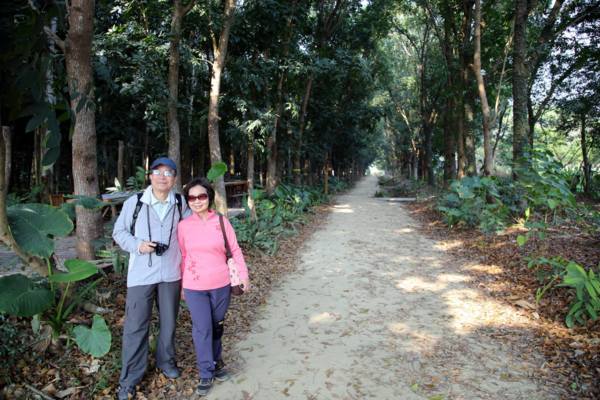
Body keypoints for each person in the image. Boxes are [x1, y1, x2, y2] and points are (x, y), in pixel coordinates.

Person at [113, 157, 189, 400]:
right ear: (150, 176)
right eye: (157, 172)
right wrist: (138, 245)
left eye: (168, 173)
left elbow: (191, 232)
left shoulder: (180, 203)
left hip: (171, 273)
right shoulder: (135, 202)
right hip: (141, 274)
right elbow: (119, 232)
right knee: (135, 326)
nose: (162, 177)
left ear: (174, 179)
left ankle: (166, 362)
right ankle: (129, 379)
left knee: (169, 322)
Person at [177, 177, 250, 396]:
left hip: (221, 284)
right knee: (202, 328)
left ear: (209, 197)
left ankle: (217, 362)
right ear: (188, 201)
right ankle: (206, 371)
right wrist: (182, 285)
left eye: (201, 196)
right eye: (192, 198)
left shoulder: (221, 222)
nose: (197, 201)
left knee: (217, 326)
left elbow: (235, 250)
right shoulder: (183, 226)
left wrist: (244, 276)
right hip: (194, 286)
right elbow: (183, 256)